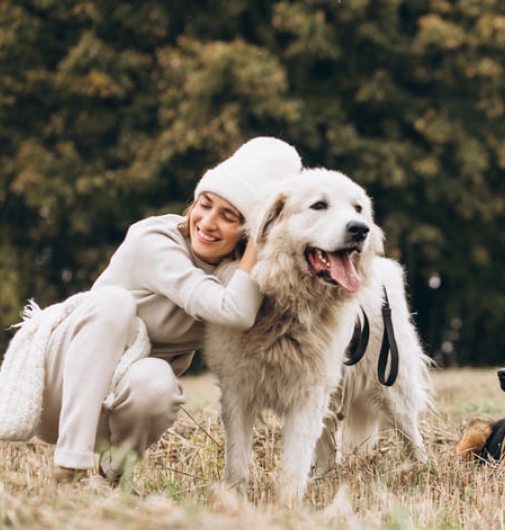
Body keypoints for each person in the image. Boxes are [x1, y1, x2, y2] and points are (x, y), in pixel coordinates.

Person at [0, 136, 302, 486]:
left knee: (158, 381)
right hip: (58, 389)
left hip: (114, 410)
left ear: (249, 231)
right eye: (204, 204)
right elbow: (234, 312)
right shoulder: (154, 240)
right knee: (114, 302)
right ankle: (70, 467)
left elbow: (290, 321)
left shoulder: (239, 277)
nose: (207, 222)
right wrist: (259, 241)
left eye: (228, 216)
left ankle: (113, 473)